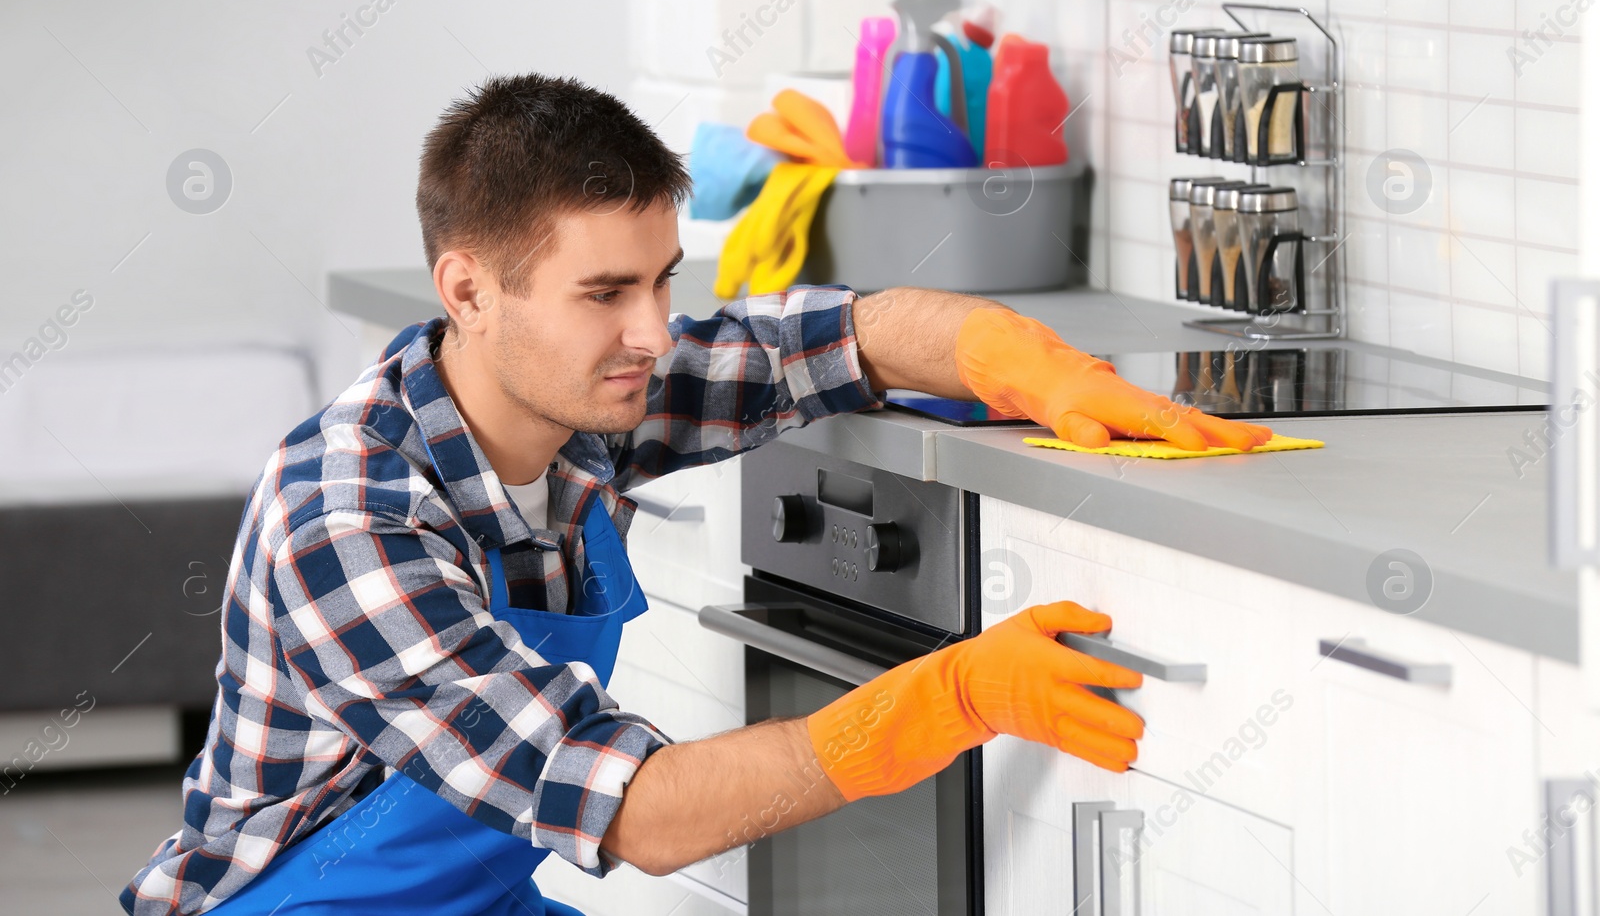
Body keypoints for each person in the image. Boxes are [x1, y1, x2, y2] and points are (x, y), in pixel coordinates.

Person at [122, 74, 1273, 915]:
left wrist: (1017, 355)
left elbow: (835, 337)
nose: (652, 332)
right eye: (607, 291)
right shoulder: (351, 521)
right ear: (468, 289)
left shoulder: (575, 399)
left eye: (663, 280)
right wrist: (956, 694)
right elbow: (644, 811)